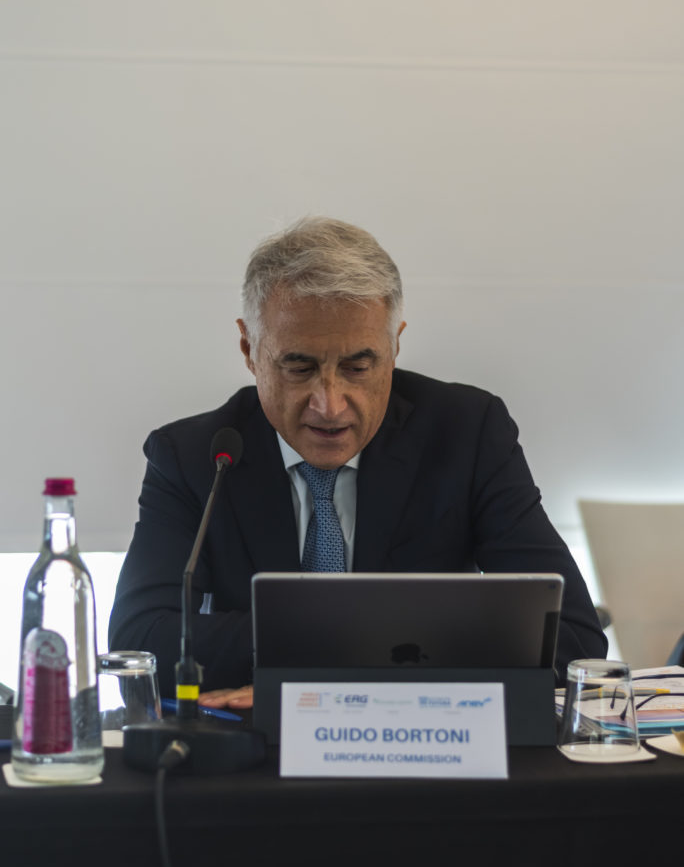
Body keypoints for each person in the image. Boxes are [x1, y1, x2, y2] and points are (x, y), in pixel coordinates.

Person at [109, 216, 607, 708]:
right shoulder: (195, 456)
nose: (330, 405)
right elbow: (139, 644)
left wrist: (333, 674)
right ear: (249, 349)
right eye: (299, 367)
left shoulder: (466, 432)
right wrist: (387, 642)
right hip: (260, 751)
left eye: (358, 366)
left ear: (395, 346)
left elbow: (573, 638)